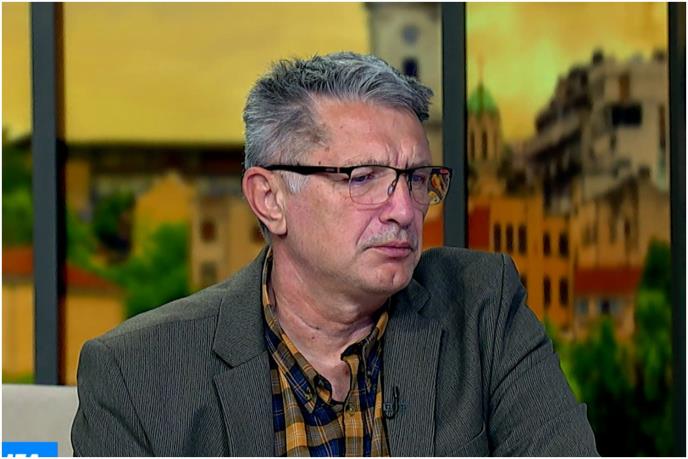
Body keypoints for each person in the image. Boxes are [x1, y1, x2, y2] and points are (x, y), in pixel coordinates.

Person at [71, 52, 598, 457]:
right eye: (363, 178)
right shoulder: (137, 375)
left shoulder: (484, 309)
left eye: (417, 179)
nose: (404, 210)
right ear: (269, 199)